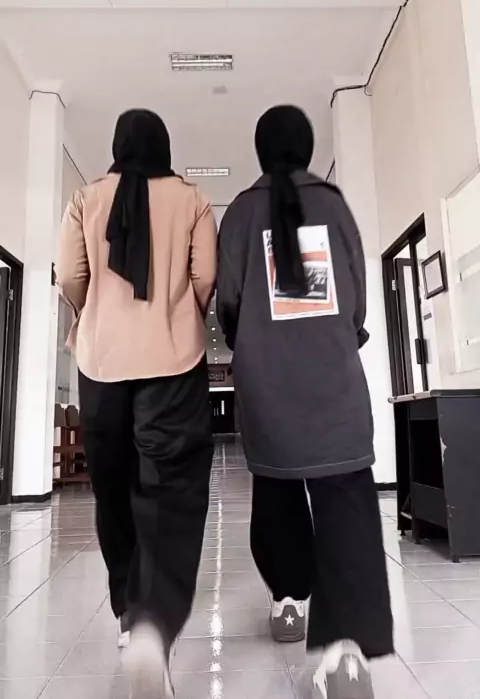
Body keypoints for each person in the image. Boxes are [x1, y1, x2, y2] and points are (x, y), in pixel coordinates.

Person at [216, 105, 393, 699]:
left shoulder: (240, 212)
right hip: (333, 381)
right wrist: (335, 335)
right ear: (309, 148)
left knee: (277, 493)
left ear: (260, 150)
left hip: (267, 383)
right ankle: (345, 657)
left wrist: (251, 338)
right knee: (346, 505)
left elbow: (229, 301)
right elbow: (357, 298)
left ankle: (289, 601)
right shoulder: (335, 205)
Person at [56, 108, 217, 699]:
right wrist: (180, 316)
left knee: (113, 487)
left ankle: (128, 611)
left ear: (117, 145)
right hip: (173, 362)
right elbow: (206, 278)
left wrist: (95, 314)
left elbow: (70, 278)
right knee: (167, 488)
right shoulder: (192, 199)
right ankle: (153, 621)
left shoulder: (85, 198)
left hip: (101, 364)